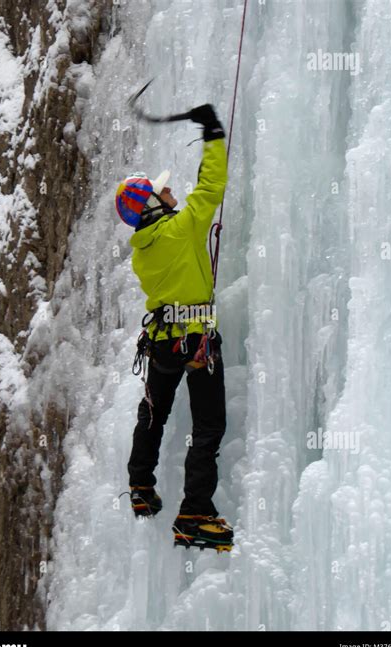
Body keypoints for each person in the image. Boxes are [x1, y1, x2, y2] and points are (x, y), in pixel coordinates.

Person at [115, 105, 233, 551]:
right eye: (163, 192)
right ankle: (195, 514)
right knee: (208, 425)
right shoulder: (182, 230)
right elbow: (211, 187)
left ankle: (141, 489)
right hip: (198, 340)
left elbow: (197, 196)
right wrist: (212, 134)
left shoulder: (142, 251)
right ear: (150, 204)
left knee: (153, 414)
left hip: (164, 344)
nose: (171, 194)